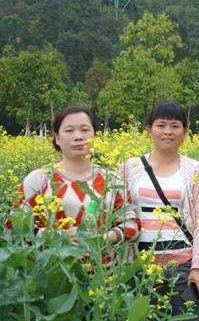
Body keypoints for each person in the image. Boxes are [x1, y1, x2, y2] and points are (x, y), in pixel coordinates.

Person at [120, 101, 199, 321]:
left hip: (183, 269)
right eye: (160, 125)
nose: (167, 131)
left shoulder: (195, 169)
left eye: (175, 125)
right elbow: (117, 211)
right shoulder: (131, 167)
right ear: (149, 130)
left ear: (185, 131)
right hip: (140, 271)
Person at [7, 106, 138, 255]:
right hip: (55, 272)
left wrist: (106, 238)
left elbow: (132, 225)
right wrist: (56, 236)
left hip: (104, 274)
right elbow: (14, 227)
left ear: (94, 135)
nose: (78, 136)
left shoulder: (111, 180)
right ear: (57, 138)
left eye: (85, 130)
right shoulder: (39, 179)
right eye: (69, 130)